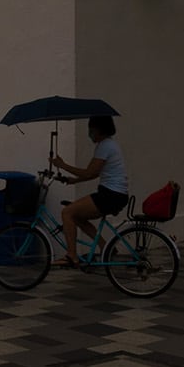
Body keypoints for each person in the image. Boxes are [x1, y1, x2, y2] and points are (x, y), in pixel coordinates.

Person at [56, 113, 130, 268]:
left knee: (67, 212)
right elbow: (94, 173)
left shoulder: (105, 146)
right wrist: (73, 180)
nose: (89, 132)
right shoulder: (108, 145)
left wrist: (63, 165)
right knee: (77, 217)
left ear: (99, 129)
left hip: (110, 195)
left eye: (91, 128)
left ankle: (71, 256)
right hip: (113, 194)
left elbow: (90, 172)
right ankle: (106, 247)